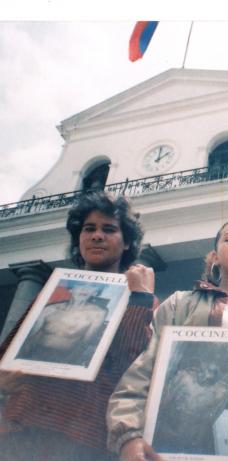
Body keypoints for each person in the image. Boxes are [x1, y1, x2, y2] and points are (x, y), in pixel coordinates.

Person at [106, 219, 228, 461]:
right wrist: (128, 435)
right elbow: (145, 369)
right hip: (183, 440)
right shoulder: (182, 303)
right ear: (215, 256)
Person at [0, 191, 156, 461]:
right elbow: (8, 352)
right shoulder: (50, 295)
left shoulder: (142, 300)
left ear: (127, 242)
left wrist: (140, 300)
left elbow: (129, 369)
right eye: (89, 229)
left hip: (86, 436)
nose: (97, 236)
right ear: (78, 238)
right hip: (21, 428)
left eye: (109, 229)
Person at [17, 282, 109, 366]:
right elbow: (32, 335)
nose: (85, 289)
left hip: (63, 359)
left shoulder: (97, 313)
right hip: (34, 355)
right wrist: (22, 356)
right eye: (81, 285)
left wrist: (69, 362)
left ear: (95, 292)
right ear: (71, 288)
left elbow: (86, 342)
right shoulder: (49, 309)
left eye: (93, 286)